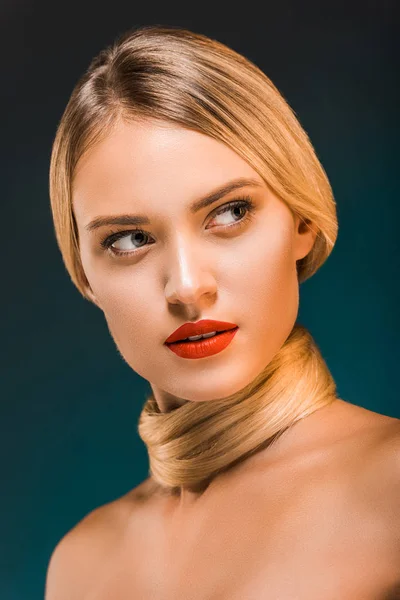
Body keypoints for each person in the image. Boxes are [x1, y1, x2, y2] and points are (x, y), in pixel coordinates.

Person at [45, 24, 400, 599]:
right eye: (130, 240)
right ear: (85, 273)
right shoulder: (79, 565)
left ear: (302, 222)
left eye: (230, 212)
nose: (187, 287)